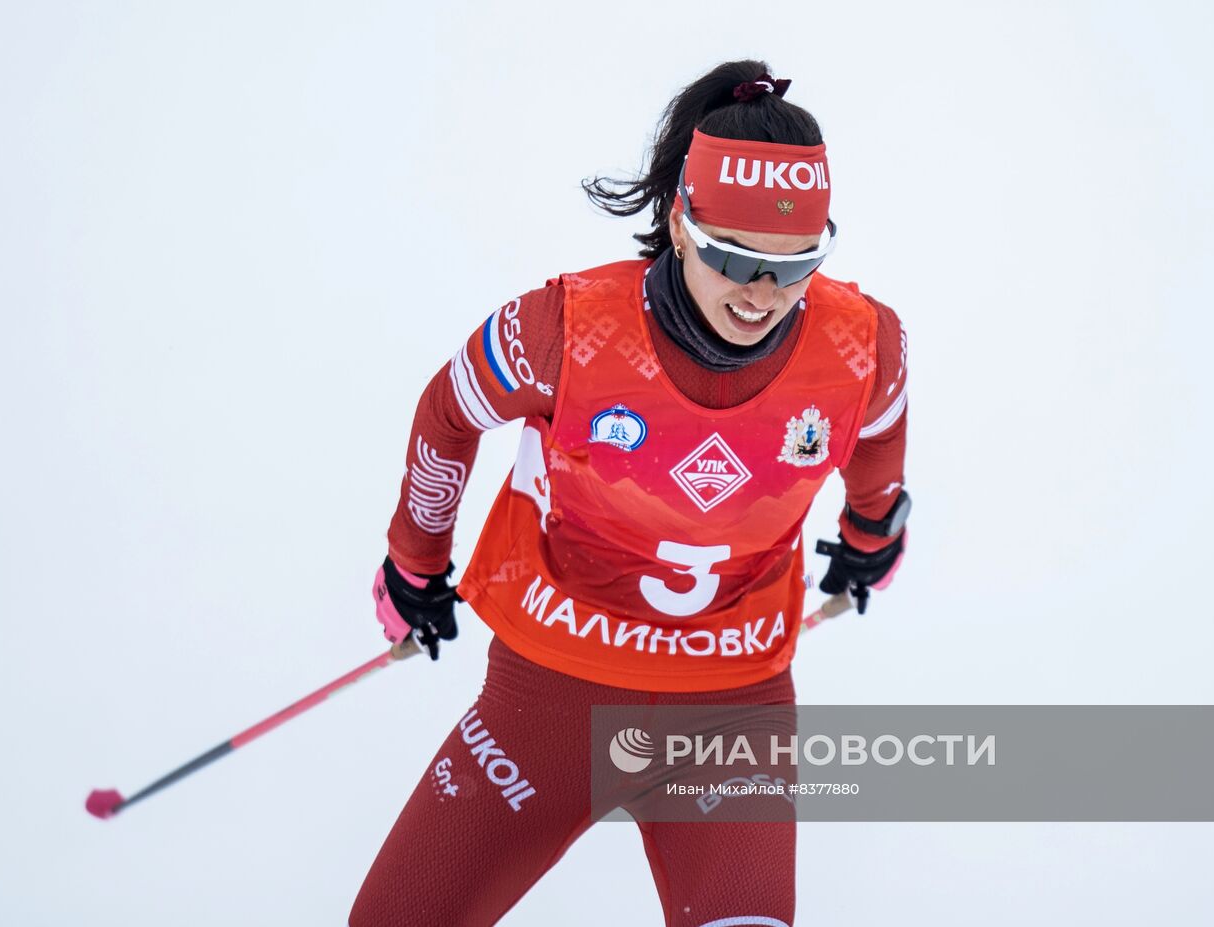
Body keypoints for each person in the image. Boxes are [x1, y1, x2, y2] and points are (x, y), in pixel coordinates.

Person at [350, 60, 910, 927]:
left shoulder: (862, 343)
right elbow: (447, 415)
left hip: (733, 708)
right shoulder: (561, 331)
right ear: (682, 225)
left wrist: (873, 531)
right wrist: (415, 561)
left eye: (798, 263)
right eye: (734, 258)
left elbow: (876, 439)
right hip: (551, 691)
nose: (763, 295)